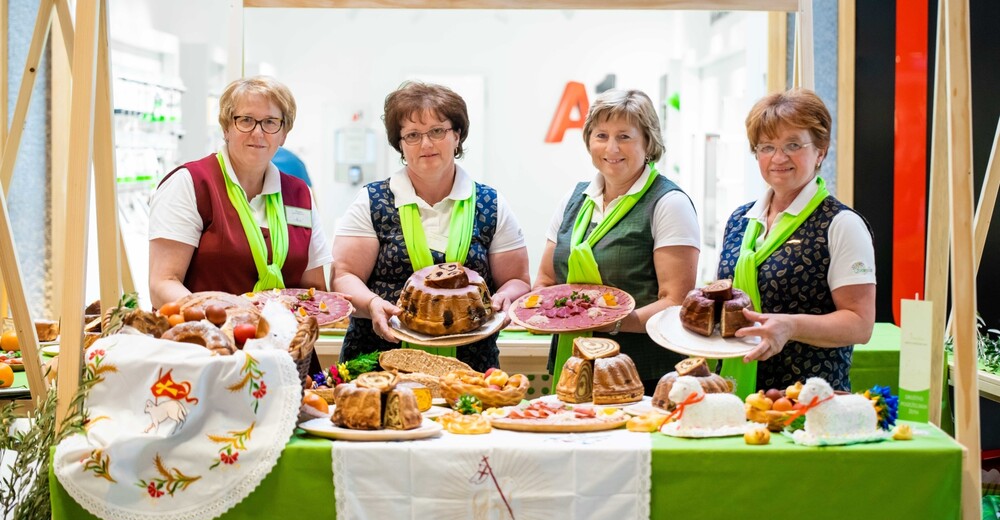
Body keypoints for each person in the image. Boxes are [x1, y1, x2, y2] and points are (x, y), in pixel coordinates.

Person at [332, 81, 530, 371]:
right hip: (379, 363)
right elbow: (344, 276)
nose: (426, 144)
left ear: (457, 135)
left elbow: (518, 281)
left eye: (437, 131)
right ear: (400, 144)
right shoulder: (372, 200)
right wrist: (373, 303)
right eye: (412, 135)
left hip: (470, 367)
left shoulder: (491, 203)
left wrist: (504, 299)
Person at [535, 89, 700, 395]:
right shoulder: (574, 199)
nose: (611, 148)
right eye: (601, 135)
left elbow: (675, 302)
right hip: (573, 365)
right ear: (588, 141)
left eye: (624, 136)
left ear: (648, 142)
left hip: (642, 374)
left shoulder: (668, 203)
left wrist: (603, 321)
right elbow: (545, 282)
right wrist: (545, 314)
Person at [718, 88, 876, 396]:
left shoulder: (841, 224)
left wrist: (791, 327)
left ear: (820, 150)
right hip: (735, 395)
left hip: (808, 401)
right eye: (766, 147)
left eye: (793, 145)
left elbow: (860, 324)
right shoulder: (741, 220)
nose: (778, 158)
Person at [148, 76, 332, 308]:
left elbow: (312, 290)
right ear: (226, 128)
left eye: (270, 122)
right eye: (245, 120)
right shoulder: (189, 184)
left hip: (287, 341)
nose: (258, 132)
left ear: (283, 134)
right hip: (208, 339)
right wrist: (229, 314)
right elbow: (163, 284)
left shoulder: (299, 194)